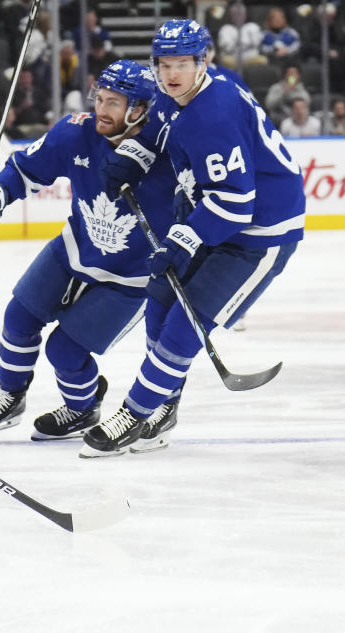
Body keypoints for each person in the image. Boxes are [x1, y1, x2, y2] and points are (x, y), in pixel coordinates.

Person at [80, 19, 304, 457]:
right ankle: (165, 404)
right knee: (160, 297)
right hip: (210, 213)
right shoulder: (175, 92)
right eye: (164, 63)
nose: (171, 73)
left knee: (185, 325)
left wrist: (182, 240)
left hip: (260, 230)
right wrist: (135, 156)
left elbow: (238, 203)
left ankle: (137, 411)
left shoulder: (215, 114)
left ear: (204, 61)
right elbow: (160, 131)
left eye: (183, 62)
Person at [0, 60, 177, 442]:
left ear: (139, 110)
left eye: (113, 103)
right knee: (19, 317)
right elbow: (26, 170)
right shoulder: (76, 133)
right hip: (74, 249)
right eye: (100, 99)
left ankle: (82, 408)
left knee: (65, 350)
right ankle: (10, 396)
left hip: (131, 277)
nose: (101, 111)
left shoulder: (168, 152)